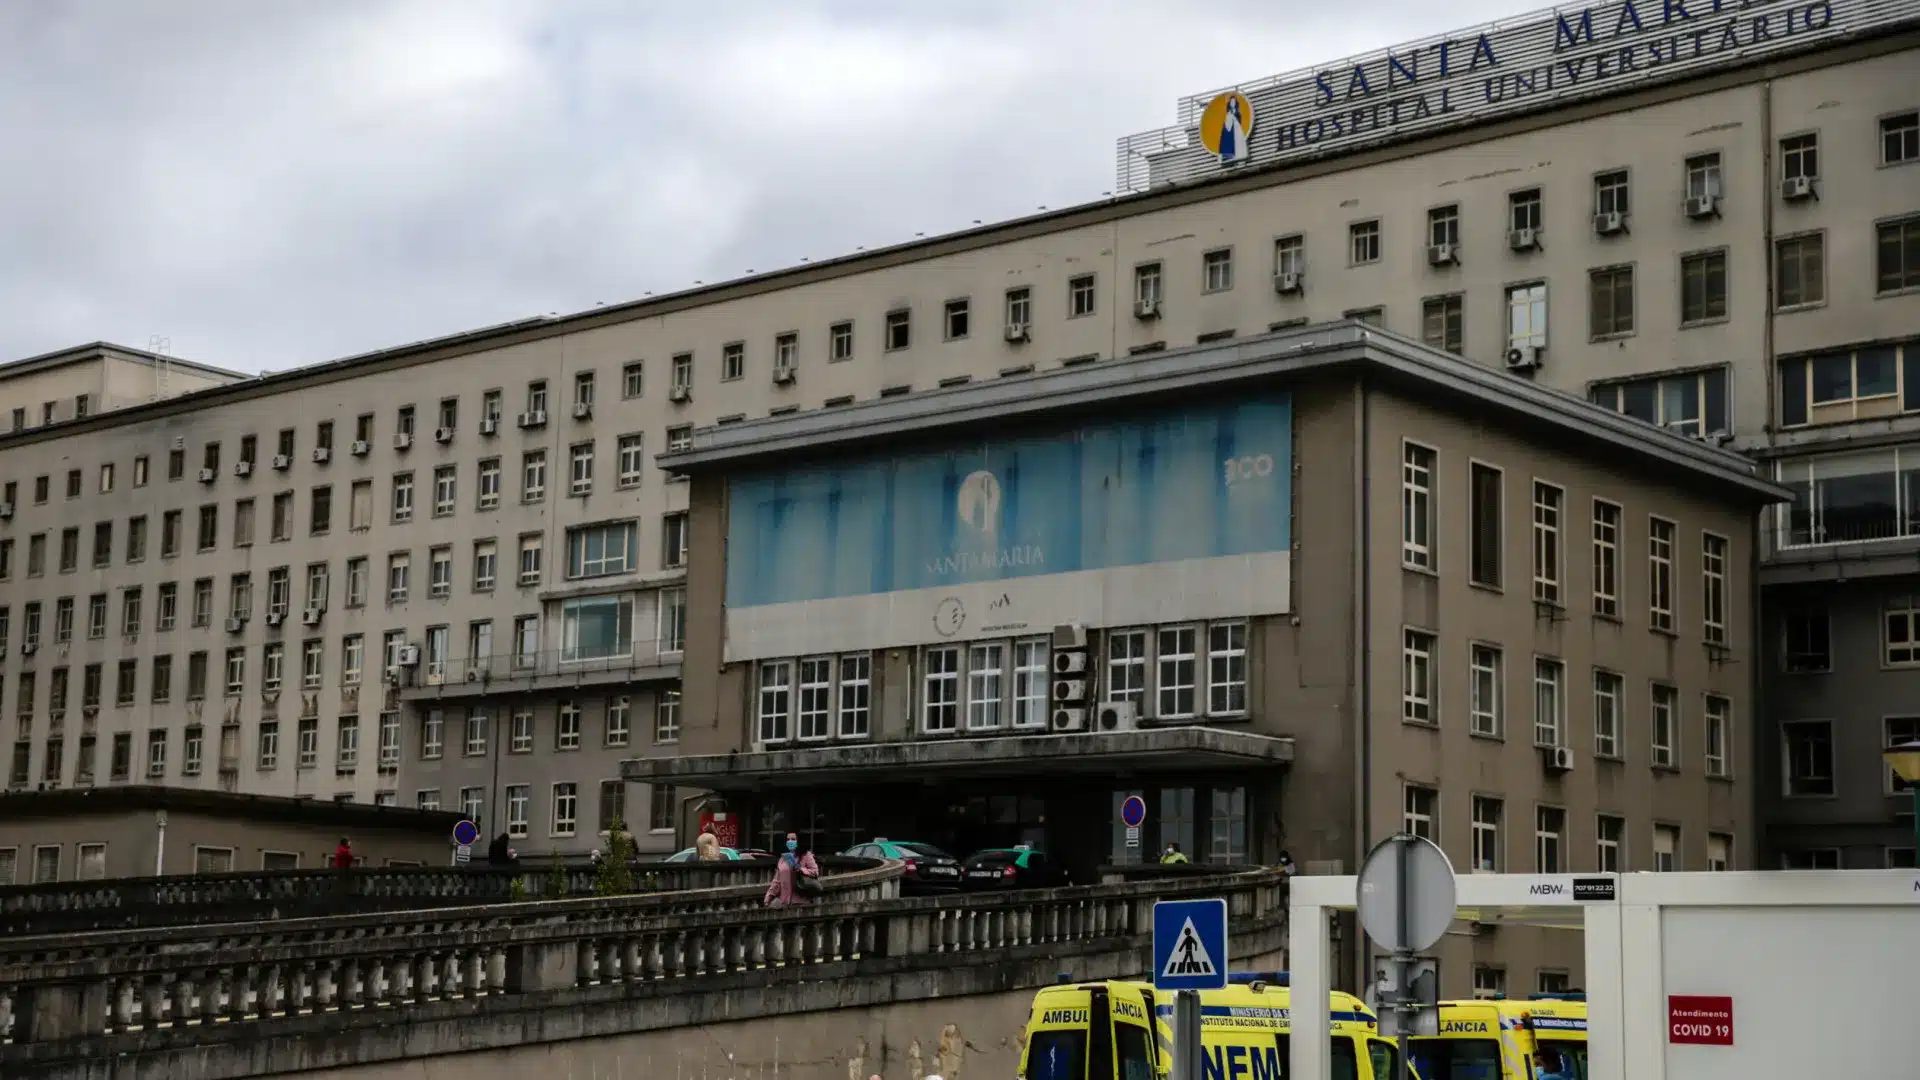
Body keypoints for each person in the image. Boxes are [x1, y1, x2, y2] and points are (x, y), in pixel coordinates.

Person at [763, 832, 820, 906]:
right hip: (785, 902)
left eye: (793, 839)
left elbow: (815, 872)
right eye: (788, 839)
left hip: (801, 900)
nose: (790, 841)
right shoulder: (783, 859)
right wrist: (768, 898)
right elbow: (776, 881)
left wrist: (801, 870)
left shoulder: (806, 855)